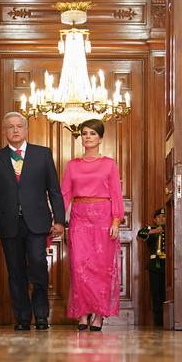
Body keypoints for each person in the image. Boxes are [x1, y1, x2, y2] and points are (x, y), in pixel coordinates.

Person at [0, 112, 65, 331]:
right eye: (10, 127)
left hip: (38, 223)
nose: (15, 130)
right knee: (16, 272)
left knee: (38, 265)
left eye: (19, 126)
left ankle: (40, 315)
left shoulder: (43, 154)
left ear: (26, 129)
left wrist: (60, 220)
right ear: (4, 132)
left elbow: (54, 190)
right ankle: (21, 318)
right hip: (9, 224)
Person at [61, 119, 124, 331]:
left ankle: (98, 315)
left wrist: (116, 220)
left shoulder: (109, 164)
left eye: (92, 134)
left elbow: (116, 194)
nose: (88, 137)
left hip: (103, 220)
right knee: (79, 266)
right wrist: (58, 220)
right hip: (79, 219)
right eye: (85, 133)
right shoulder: (72, 165)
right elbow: (65, 195)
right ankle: (82, 313)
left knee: (100, 269)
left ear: (100, 138)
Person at [137, 208, 167, 326]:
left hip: (167, 266)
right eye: (158, 217)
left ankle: (167, 319)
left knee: (166, 293)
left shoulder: (170, 229)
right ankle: (158, 320)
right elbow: (140, 234)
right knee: (155, 293)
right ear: (154, 220)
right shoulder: (151, 230)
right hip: (154, 265)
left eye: (164, 217)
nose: (161, 219)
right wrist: (155, 231)